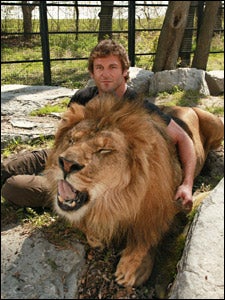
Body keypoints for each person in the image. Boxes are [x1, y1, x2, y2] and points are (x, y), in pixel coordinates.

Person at [1, 39, 196, 212]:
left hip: (94, 176)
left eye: (112, 67)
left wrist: (187, 184)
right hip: (65, 155)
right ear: (92, 72)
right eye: (99, 68)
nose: (105, 74)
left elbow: (184, 138)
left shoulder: (140, 108)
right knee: (5, 169)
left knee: (14, 187)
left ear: (125, 71)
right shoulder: (82, 97)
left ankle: (68, 201)